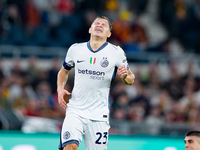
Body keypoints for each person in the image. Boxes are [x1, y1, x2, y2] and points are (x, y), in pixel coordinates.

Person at [57, 16, 135, 150]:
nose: (99, 25)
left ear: (109, 33)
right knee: (70, 146)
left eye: (104, 24)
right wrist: (60, 89)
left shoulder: (116, 52)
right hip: (76, 110)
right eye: (96, 23)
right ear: (90, 29)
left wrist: (125, 76)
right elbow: (63, 72)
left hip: (99, 115)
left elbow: (130, 79)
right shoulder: (75, 49)